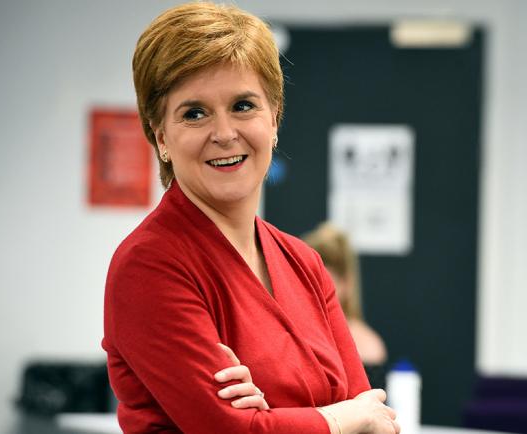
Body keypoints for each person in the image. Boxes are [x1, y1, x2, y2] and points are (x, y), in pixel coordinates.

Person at [101, 3, 400, 434]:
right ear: (161, 135)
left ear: (275, 119)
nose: (224, 133)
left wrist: (270, 419)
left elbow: (376, 420)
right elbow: (231, 431)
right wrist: (338, 417)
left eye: (243, 105)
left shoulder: (306, 264)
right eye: (194, 113)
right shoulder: (149, 265)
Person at [302, 223, 388, 388]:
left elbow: (372, 408)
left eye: (323, 283)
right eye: (307, 280)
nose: (314, 291)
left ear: (346, 284)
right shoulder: (289, 334)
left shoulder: (367, 347)